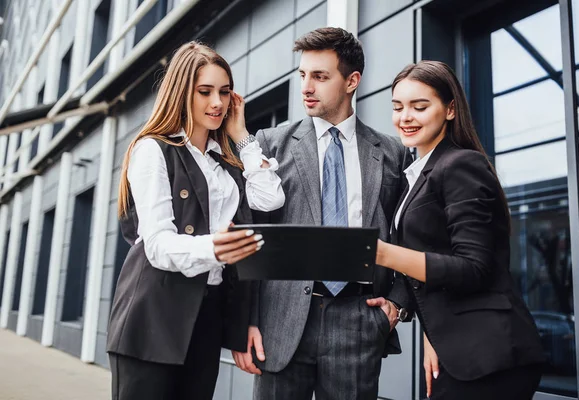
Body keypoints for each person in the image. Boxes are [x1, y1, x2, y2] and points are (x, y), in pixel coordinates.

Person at [231, 27, 411, 400]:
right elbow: (248, 236)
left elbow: (406, 233)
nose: (306, 87)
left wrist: (397, 303)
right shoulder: (270, 144)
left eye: (320, 76)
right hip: (279, 324)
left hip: (359, 320)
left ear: (352, 81)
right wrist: (244, 322)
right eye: (302, 75)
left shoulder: (392, 152)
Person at [106, 41, 285, 400]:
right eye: (205, 92)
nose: (217, 103)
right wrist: (216, 247)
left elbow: (270, 199)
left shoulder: (226, 164)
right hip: (154, 315)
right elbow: (156, 245)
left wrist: (241, 137)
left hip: (206, 317)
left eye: (224, 92)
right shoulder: (153, 150)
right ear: (181, 92)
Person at [375, 60, 546, 400]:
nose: (405, 117)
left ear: (450, 109)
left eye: (419, 106)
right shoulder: (417, 173)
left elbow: (475, 268)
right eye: (398, 107)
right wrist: (407, 312)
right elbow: (438, 257)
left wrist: (381, 253)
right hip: (457, 350)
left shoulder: (460, 164)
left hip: (490, 354)